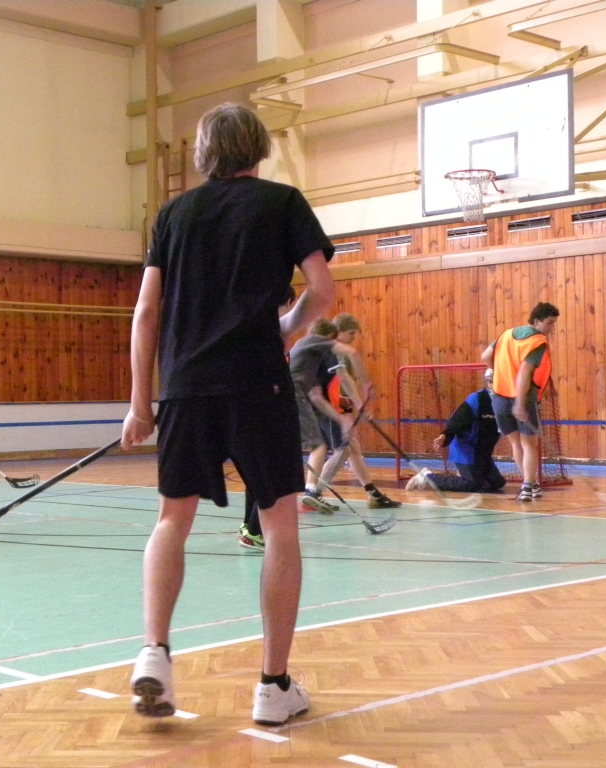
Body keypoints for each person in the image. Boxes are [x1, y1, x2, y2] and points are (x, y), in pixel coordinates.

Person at [121, 103, 335, 726]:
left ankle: (154, 652)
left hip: (185, 387)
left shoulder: (173, 215)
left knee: (172, 520)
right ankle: (273, 687)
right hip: (256, 384)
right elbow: (323, 290)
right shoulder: (282, 202)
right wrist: (287, 327)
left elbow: (146, 313)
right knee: (280, 526)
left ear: (203, 152)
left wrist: (140, 403)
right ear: (259, 147)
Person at [290, 318, 400, 513]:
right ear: (335, 334)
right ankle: (313, 492)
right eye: (351, 333)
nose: (353, 338)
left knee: (351, 448)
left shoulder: (311, 354)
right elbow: (343, 377)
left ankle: (372, 493)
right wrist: (363, 390)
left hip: (318, 403)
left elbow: (316, 394)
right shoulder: (326, 348)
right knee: (338, 448)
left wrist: (348, 413)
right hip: (320, 405)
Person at [238, 285, 297, 552]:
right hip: (263, 408)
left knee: (256, 470)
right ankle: (254, 530)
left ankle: (251, 528)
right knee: (270, 472)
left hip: (253, 407)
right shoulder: (269, 330)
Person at [481, 301, 560, 501]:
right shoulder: (537, 341)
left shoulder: (506, 334)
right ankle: (527, 487)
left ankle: (531, 484)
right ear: (537, 321)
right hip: (522, 397)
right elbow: (525, 372)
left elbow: (486, 356)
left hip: (498, 396)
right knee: (529, 444)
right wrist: (520, 403)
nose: (551, 328)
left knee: (516, 442)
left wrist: (500, 371)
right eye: (549, 323)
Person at [405, 368, 506, 494]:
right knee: (471, 484)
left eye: (497, 381)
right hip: (466, 448)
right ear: (486, 382)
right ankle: (427, 477)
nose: (494, 385)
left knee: (497, 482)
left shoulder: (506, 401)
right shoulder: (477, 399)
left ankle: (467, 475)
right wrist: (445, 435)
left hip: (483, 452)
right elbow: (457, 419)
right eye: (491, 381)